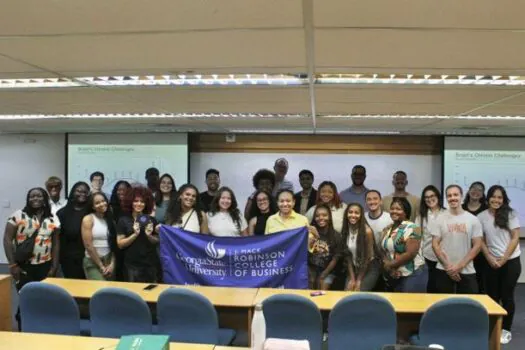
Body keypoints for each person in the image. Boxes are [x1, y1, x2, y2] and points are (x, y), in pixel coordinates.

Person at [3, 187, 60, 330]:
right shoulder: (18, 216)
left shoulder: (53, 217)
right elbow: (7, 239)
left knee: (42, 298)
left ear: (45, 199)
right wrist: (12, 265)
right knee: (25, 297)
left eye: (39, 196)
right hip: (23, 266)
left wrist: (53, 266)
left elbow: (56, 244)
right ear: (28, 199)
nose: (35, 199)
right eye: (32, 196)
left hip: (44, 265)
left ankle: (39, 329)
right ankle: (23, 326)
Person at [478, 185, 521, 345]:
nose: (496, 200)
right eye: (493, 197)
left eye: (499, 197)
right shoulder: (481, 216)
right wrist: (489, 257)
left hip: (510, 262)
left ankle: (506, 329)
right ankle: (493, 326)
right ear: (488, 198)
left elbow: (515, 237)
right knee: (493, 296)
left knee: (507, 296)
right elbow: (480, 240)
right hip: (491, 262)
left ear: (503, 200)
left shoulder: (510, 214)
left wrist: (503, 259)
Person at [432, 185, 482, 294]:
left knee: (468, 306)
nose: (452, 198)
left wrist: (459, 266)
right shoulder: (440, 218)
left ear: (462, 196)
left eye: (455, 194)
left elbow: (477, 245)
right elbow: (435, 244)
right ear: (446, 198)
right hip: (444, 269)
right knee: (443, 305)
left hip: (466, 269)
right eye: (449, 195)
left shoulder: (473, 219)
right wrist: (448, 267)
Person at [381, 197, 427, 292]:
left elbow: (410, 254)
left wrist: (389, 265)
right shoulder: (389, 228)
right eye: (392, 208)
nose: (394, 211)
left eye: (398, 209)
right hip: (396, 274)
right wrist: (390, 270)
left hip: (413, 274)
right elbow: (385, 251)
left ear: (406, 212)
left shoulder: (414, 228)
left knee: (411, 306)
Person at [117, 186, 158, 282]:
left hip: (150, 264)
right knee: (133, 294)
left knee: (151, 294)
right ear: (130, 202)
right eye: (136, 201)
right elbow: (120, 244)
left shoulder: (151, 220)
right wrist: (134, 235)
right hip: (132, 265)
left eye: (142, 201)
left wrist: (149, 236)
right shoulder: (123, 220)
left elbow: (157, 241)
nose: (139, 204)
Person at [343, 203, 380, 291]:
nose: (353, 215)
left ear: (361, 215)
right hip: (354, 268)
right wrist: (352, 278)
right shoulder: (346, 229)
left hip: (369, 268)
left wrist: (358, 280)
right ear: (346, 214)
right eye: (350, 212)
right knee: (347, 292)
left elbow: (367, 258)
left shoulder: (367, 231)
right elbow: (348, 256)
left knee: (358, 292)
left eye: (356, 213)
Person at [56, 181, 90, 279]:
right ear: (72, 192)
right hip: (69, 259)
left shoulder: (92, 211)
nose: (82, 194)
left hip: (90, 257)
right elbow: (58, 238)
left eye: (85, 192)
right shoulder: (62, 213)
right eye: (79, 191)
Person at [416, 185, 446, 293]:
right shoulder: (421, 216)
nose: (429, 199)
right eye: (426, 197)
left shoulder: (447, 214)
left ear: (438, 196)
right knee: (430, 288)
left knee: (443, 289)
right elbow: (418, 238)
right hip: (427, 258)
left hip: (445, 258)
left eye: (432, 196)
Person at [81, 192, 117, 280]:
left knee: (110, 291)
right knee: (100, 290)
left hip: (109, 260)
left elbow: (114, 244)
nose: (102, 204)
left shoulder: (111, 220)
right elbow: (88, 245)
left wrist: (112, 264)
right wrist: (101, 266)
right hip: (93, 261)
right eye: (97, 203)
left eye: (103, 201)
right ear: (93, 206)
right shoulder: (88, 219)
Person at [308, 204, 342, 290]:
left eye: (324, 215)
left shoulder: (336, 236)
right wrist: (312, 239)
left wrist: (323, 275)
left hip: (328, 270)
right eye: (317, 216)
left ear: (329, 217)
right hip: (311, 268)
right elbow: (305, 254)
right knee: (310, 281)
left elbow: (335, 259)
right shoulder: (310, 232)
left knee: (322, 285)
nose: (321, 218)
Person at [462, 181, 488, 293]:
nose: (475, 191)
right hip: (463, 250)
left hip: (481, 252)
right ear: (469, 190)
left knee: (481, 283)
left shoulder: (486, 210)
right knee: (465, 283)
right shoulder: (461, 208)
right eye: (473, 188)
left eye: (479, 190)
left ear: (482, 195)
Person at [108, 180, 131, 281]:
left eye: (124, 190)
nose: (121, 192)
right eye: (119, 190)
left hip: (129, 245)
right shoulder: (110, 207)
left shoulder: (132, 207)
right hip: (114, 245)